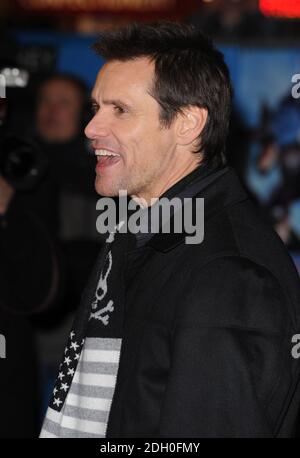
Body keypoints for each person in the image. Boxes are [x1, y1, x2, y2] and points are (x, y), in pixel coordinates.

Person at [40, 22, 300, 438]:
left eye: (119, 110)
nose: (91, 129)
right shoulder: (142, 231)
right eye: (95, 108)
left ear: (187, 124)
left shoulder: (225, 274)